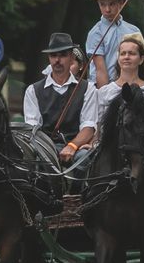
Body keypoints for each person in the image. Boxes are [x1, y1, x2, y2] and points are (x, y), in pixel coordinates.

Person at [23, 32, 97, 165]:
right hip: (45, 149)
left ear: (71, 57)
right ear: (49, 58)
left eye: (62, 55)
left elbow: (88, 126)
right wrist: (49, 150)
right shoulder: (33, 90)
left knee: (84, 159)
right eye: (53, 55)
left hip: (77, 148)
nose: (57, 60)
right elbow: (32, 129)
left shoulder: (88, 89)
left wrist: (72, 146)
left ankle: (78, 187)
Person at [94, 32, 144, 129]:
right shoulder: (103, 92)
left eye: (132, 53)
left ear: (141, 59)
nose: (126, 57)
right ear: (118, 59)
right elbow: (97, 127)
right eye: (123, 53)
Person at [86, 0, 142, 87]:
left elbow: (141, 63)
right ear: (98, 5)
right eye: (103, 4)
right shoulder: (96, 33)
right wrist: (105, 95)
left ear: (121, 3)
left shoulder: (134, 30)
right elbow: (100, 70)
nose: (107, 9)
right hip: (103, 87)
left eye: (111, 4)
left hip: (130, 87)